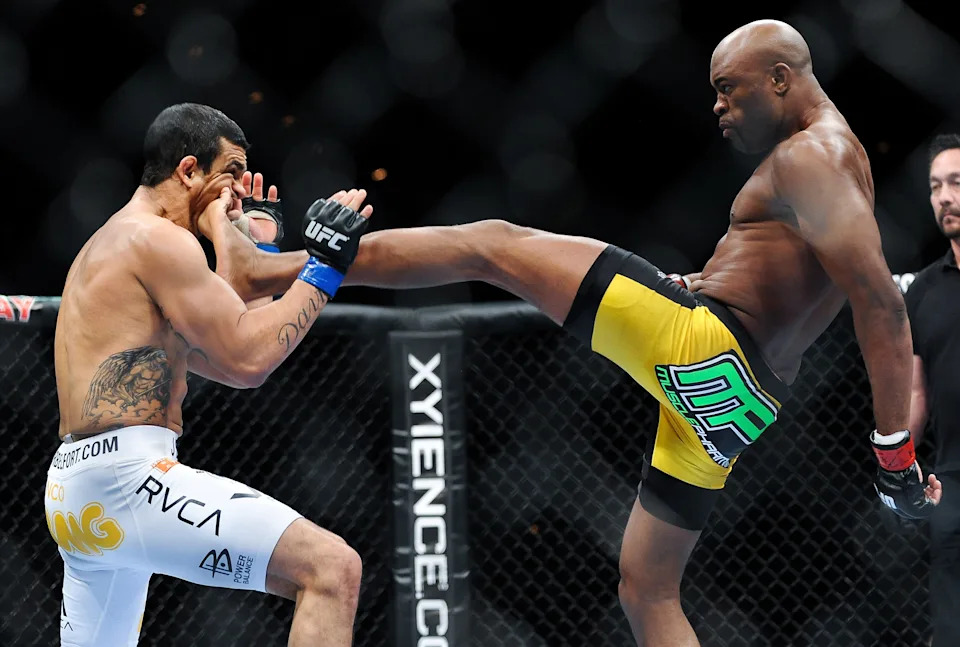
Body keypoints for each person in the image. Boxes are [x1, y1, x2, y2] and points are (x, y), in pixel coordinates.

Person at [340, 19, 945, 645]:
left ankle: (295, 265)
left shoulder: (809, 156)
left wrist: (893, 448)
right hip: (743, 402)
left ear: (779, 78)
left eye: (727, 88)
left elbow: (880, 302)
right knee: (647, 589)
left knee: (489, 244)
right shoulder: (842, 155)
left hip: (702, 342)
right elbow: (806, 283)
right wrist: (706, 282)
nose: (718, 106)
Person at [44, 102, 374, 647]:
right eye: (232, 174)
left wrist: (256, 248)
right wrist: (325, 265)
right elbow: (250, 358)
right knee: (331, 570)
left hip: (76, 488)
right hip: (127, 478)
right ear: (188, 170)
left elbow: (233, 360)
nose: (239, 192)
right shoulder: (158, 239)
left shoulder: (110, 244)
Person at [903, 133, 960, 646]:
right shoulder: (922, 291)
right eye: (935, 187)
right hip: (953, 478)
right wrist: (898, 460)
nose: (945, 197)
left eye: (956, 183)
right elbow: (916, 394)